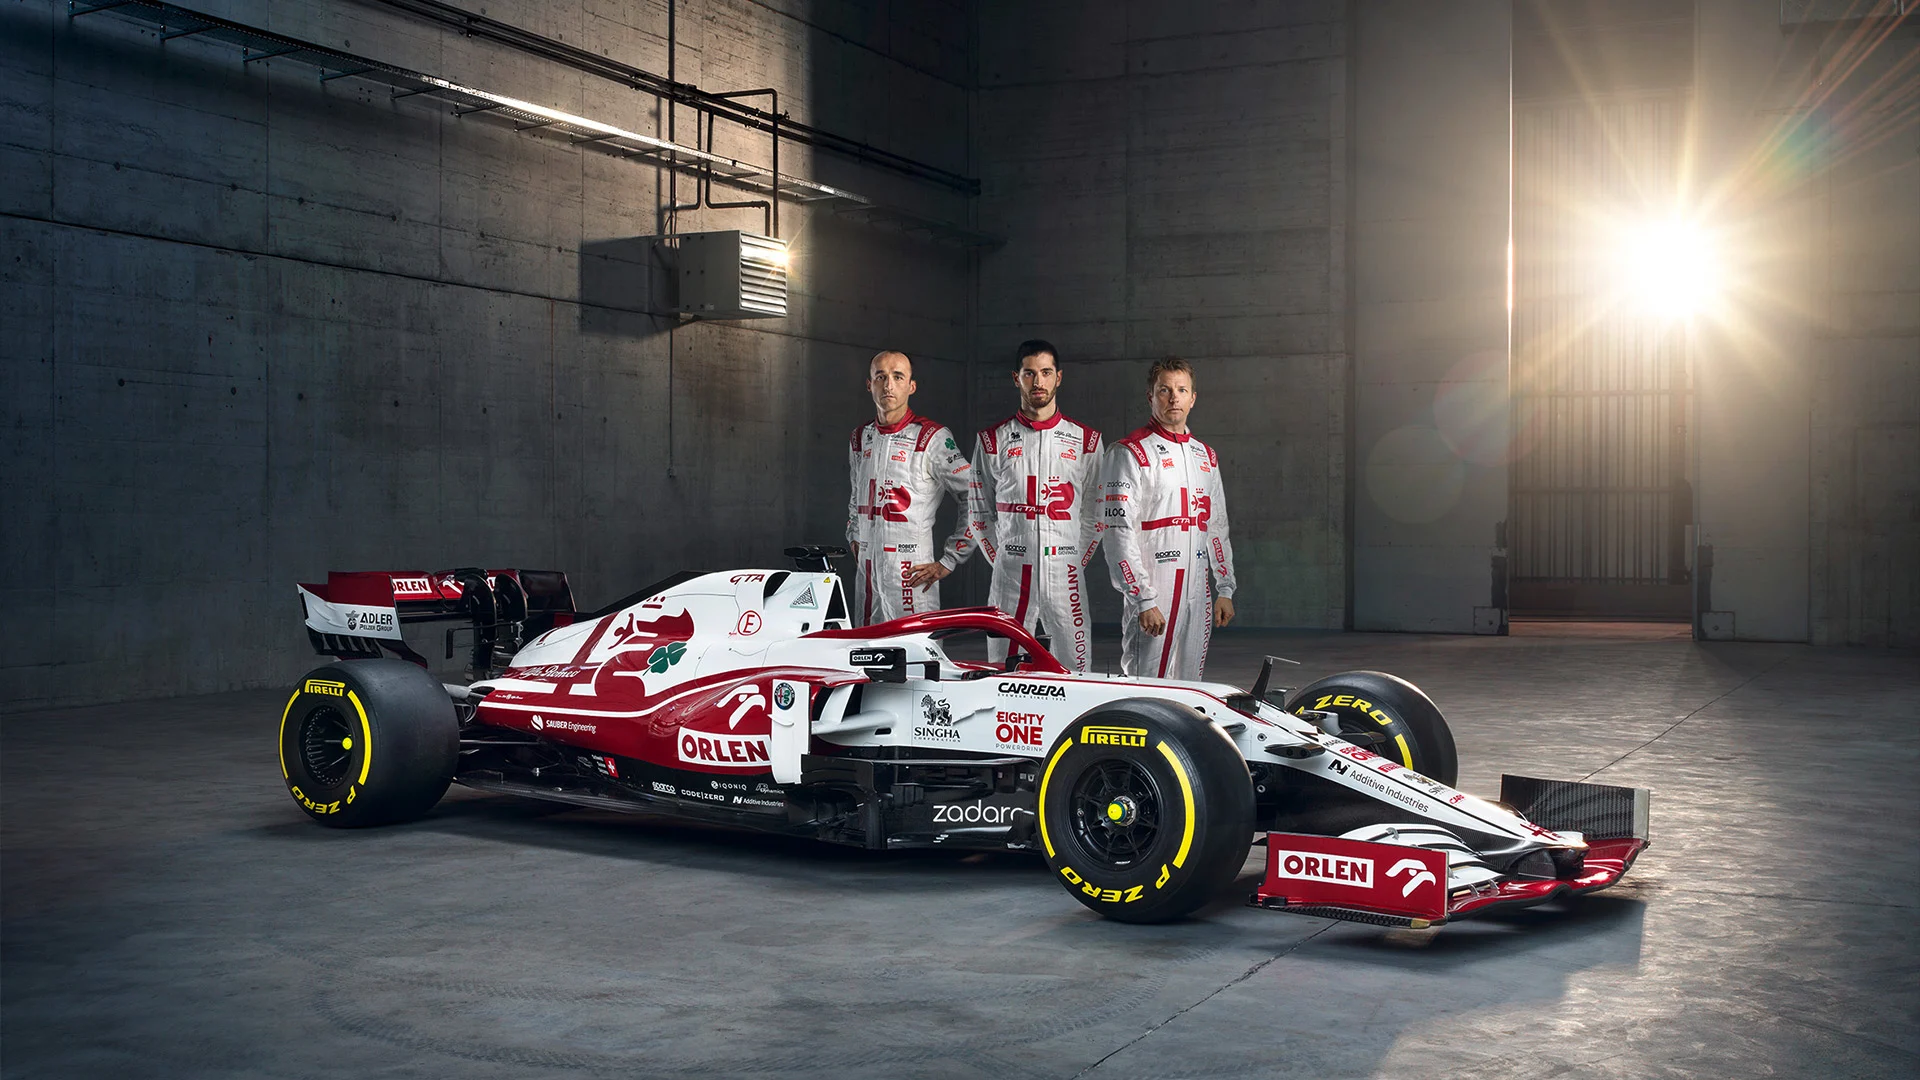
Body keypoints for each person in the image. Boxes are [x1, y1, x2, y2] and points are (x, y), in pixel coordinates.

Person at [970, 341, 1103, 672]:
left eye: (1046, 373)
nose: (1038, 382)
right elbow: (978, 512)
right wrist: (1005, 557)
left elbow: (1095, 515)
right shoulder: (992, 440)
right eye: (1030, 373)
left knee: (1077, 671)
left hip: (1066, 575)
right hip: (1010, 575)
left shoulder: (1087, 441)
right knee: (1005, 673)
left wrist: (1072, 560)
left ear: (1059, 377)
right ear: (1017, 378)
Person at [1101, 356, 1236, 679]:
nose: (1173, 397)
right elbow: (1118, 533)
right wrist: (1142, 598)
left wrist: (1226, 588)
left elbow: (1215, 526)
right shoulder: (1128, 451)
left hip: (1198, 590)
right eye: (1164, 390)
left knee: (1191, 684)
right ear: (1151, 396)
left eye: (1181, 389)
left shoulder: (1205, 455)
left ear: (1193, 397)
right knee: (1146, 683)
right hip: (1155, 587)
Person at [846, 350, 975, 625]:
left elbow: (974, 494)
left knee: (915, 656)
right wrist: (854, 535)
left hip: (911, 571)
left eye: (897, 377)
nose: (888, 385)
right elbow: (856, 494)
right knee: (864, 656)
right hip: (867, 572)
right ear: (869, 384)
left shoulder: (932, 437)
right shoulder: (861, 437)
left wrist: (950, 559)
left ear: (911, 386)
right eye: (880, 377)